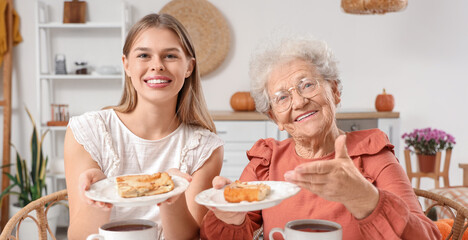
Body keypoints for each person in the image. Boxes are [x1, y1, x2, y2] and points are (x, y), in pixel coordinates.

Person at [200, 34, 441, 240]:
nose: (299, 101)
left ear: (334, 91)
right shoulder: (266, 162)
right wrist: (229, 218)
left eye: (307, 85)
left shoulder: (371, 153)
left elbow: (427, 236)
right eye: (282, 97)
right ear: (276, 120)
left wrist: (367, 199)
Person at [64, 13, 224, 240]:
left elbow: (190, 237)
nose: (157, 66)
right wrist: (98, 199)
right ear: (126, 65)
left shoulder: (205, 147)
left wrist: (172, 198)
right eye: (144, 55)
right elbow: (78, 237)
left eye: (170, 55)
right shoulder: (87, 132)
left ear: (189, 67)